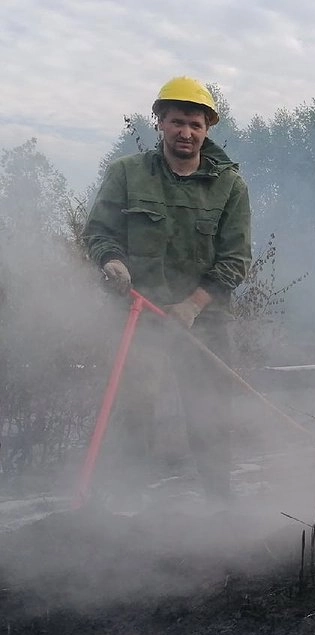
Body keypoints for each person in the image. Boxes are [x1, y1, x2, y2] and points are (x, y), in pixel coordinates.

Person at [82, 76, 251, 502]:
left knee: (210, 411)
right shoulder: (126, 174)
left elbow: (235, 260)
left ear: (209, 127)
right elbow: (100, 232)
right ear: (158, 121)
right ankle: (127, 509)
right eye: (177, 122)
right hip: (138, 316)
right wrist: (113, 261)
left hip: (204, 321)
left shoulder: (230, 186)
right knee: (134, 409)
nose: (186, 133)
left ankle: (221, 507)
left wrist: (193, 306)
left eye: (196, 124)